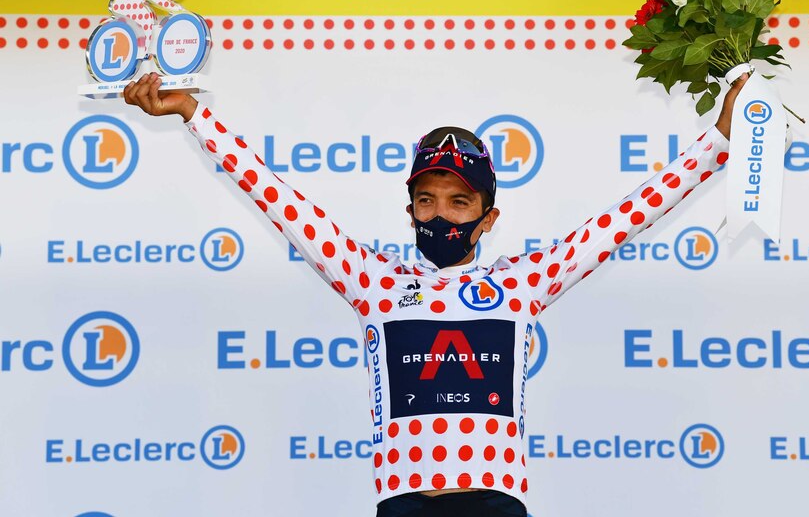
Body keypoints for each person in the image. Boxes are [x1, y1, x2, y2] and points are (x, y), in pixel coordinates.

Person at [123, 71, 747, 516]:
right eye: (427, 200)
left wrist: (719, 143)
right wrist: (194, 115)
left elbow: (628, 216)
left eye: (459, 201)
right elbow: (277, 197)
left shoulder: (520, 284)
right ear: (410, 210)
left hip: (498, 505)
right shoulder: (376, 283)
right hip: (403, 506)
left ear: (487, 218)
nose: (440, 214)